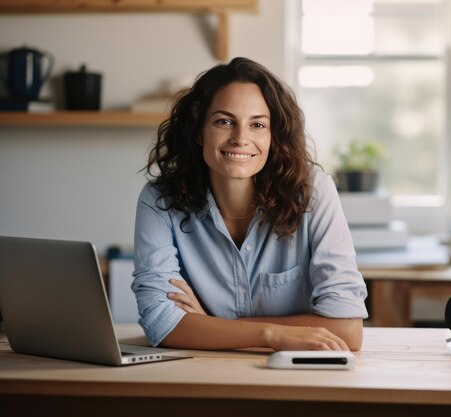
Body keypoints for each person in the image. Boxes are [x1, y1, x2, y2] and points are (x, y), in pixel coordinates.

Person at [132, 57, 368, 352]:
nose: (241, 138)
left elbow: (346, 329)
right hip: (203, 376)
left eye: (257, 124)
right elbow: (161, 323)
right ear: (198, 130)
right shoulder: (160, 200)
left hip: (301, 377)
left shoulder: (312, 192)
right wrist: (271, 335)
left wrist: (212, 327)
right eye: (224, 121)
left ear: (273, 136)